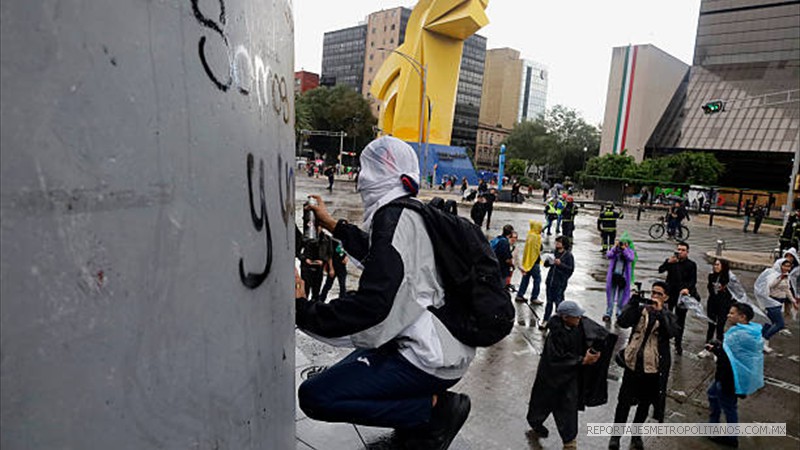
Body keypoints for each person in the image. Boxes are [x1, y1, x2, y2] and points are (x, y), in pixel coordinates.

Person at [295, 136, 474, 449]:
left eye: (367, 170)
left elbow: (371, 309)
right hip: (445, 345)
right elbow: (382, 259)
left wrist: (302, 310)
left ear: (381, 173)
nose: (361, 180)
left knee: (316, 396)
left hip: (427, 357)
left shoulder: (393, 218)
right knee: (346, 374)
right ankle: (416, 409)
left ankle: (433, 409)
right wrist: (332, 225)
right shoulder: (411, 212)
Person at [526, 301, 611, 449]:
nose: (579, 318)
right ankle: (536, 423)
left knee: (568, 409)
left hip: (570, 377)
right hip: (551, 377)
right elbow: (556, 359)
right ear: (565, 317)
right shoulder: (555, 335)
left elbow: (599, 335)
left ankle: (569, 442)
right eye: (576, 316)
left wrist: (595, 350)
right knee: (540, 404)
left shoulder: (580, 324)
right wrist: (581, 360)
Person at [608, 281, 679, 450]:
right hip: (633, 364)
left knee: (644, 404)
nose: (654, 297)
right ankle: (616, 437)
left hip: (652, 368)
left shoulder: (668, 315)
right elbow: (623, 322)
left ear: (666, 297)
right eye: (653, 292)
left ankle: (636, 435)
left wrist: (660, 312)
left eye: (659, 294)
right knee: (623, 402)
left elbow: (671, 333)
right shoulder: (641, 310)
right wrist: (632, 303)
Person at [705, 302, 764, 448]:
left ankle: (731, 437)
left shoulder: (739, 335)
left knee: (729, 407)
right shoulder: (750, 331)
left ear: (742, 317)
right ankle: (713, 425)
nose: (728, 315)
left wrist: (715, 349)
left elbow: (727, 357)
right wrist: (719, 346)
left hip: (729, 378)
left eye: (732, 313)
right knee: (712, 395)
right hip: (729, 376)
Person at [657, 241, 697, 355]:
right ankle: (665, 339)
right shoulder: (672, 261)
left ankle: (678, 344)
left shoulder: (691, 264)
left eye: (683, 250)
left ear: (687, 252)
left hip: (682, 296)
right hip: (670, 295)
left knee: (680, 320)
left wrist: (687, 289)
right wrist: (668, 262)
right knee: (666, 317)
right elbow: (660, 269)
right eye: (679, 249)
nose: (680, 252)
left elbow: (693, 281)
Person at [756, 258, 798, 353]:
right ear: (780, 266)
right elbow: (770, 286)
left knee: (769, 322)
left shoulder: (787, 276)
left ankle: (760, 342)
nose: (787, 268)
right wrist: (780, 278)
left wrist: (793, 301)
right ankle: (765, 339)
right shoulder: (774, 275)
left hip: (779, 303)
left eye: (789, 266)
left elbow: (787, 290)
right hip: (772, 302)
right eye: (785, 265)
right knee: (780, 324)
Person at [699, 260, 736, 355]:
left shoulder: (729, 279)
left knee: (720, 327)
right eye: (714, 264)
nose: (715, 267)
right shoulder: (711, 276)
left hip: (724, 305)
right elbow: (710, 289)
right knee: (711, 325)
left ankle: (719, 349)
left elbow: (735, 293)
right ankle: (708, 347)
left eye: (718, 265)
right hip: (712, 303)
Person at [540, 236, 575, 329]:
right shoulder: (554, 253)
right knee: (549, 302)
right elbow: (546, 265)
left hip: (560, 283)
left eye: (559, 242)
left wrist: (560, 264)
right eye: (556, 242)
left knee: (559, 303)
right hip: (550, 281)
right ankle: (545, 320)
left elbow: (570, 269)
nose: (557, 244)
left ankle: (559, 323)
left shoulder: (568, 255)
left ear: (564, 244)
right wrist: (548, 261)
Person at [604, 234, 636, 322]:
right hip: (614, 276)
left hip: (623, 278)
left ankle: (619, 313)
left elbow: (630, 258)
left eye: (625, 243)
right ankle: (608, 313)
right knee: (610, 296)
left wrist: (625, 250)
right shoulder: (616, 251)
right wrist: (615, 248)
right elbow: (609, 255)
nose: (622, 244)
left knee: (621, 298)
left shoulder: (630, 251)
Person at [299, 225, 332, 302]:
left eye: (319, 226)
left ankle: (314, 307)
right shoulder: (306, 237)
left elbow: (329, 253)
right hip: (306, 267)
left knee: (316, 290)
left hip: (319, 268)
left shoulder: (326, 239)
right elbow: (298, 251)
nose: (317, 228)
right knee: (305, 289)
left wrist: (323, 261)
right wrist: (305, 259)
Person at [516, 220, 544, 305]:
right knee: (537, 280)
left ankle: (520, 295)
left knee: (525, 278)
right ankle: (534, 297)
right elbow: (538, 249)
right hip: (534, 261)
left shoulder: (530, 235)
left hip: (527, 261)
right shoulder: (537, 237)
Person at [491, 225, 515, 290]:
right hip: (502, 269)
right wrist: (512, 265)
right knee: (501, 288)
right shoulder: (505, 242)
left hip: (495, 267)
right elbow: (507, 258)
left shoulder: (498, 239)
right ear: (511, 233)